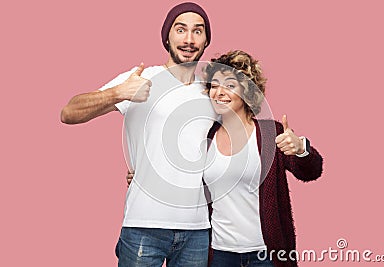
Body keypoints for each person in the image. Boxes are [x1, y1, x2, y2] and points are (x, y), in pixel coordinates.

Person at [61, 2, 218, 267]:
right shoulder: (142, 78)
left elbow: (231, 143)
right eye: (180, 30)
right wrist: (118, 93)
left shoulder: (211, 92)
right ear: (167, 36)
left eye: (197, 31)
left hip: (198, 229)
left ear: (205, 41)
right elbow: (69, 112)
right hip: (143, 225)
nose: (189, 39)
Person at [201, 50, 323, 267]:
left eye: (229, 85)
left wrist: (301, 149)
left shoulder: (270, 133)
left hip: (265, 254)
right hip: (219, 255)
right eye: (214, 85)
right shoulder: (205, 137)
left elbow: (311, 171)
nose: (219, 92)